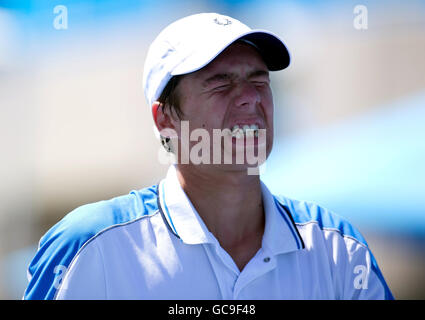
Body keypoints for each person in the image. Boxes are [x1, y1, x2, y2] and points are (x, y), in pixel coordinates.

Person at [24, 13, 393, 300]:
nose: (250, 97)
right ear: (164, 118)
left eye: (260, 80)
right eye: (220, 82)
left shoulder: (337, 248)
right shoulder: (90, 245)